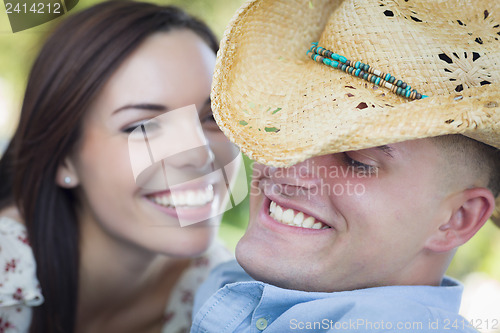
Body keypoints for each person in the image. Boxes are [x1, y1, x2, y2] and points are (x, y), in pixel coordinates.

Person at [191, 0, 500, 332]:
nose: (289, 168)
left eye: (357, 160)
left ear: (458, 218)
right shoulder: (210, 279)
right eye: (293, 128)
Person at [0, 1, 243, 332]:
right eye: (142, 126)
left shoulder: (218, 291)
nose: (198, 155)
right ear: (63, 158)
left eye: (212, 116)